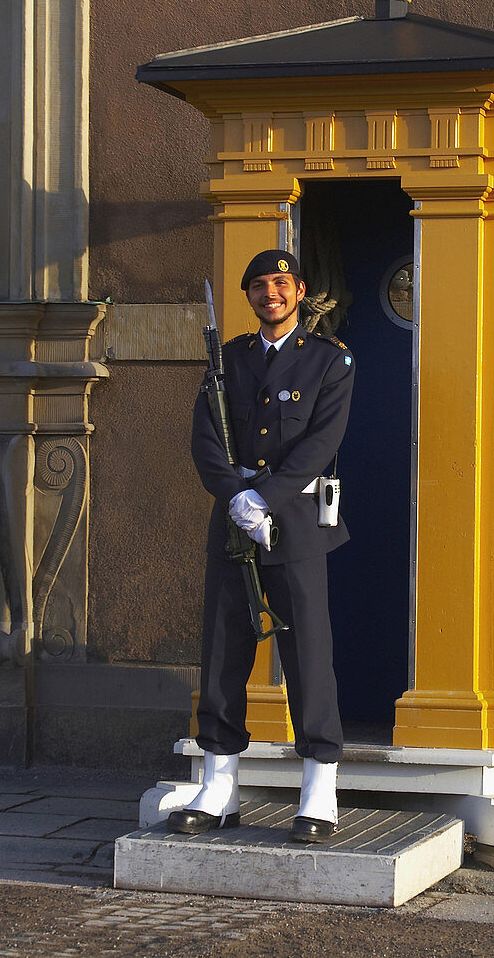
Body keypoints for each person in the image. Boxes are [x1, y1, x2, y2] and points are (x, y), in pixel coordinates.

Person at [168, 250, 354, 843]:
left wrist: (266, 498)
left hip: (295, 522)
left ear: (299, 290)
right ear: (248, 296)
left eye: (280, 283)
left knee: (307, 654)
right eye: (257, 286)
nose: (269, 293)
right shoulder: (229, 361)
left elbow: (320, 442)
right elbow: (206, 440)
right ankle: (219, 783)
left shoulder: (329, 360)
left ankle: (319, 786)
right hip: (233, 522)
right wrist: (236, 499)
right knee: (223, 650)